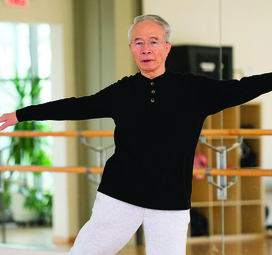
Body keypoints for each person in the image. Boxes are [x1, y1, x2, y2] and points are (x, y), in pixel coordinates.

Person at [1, 14, 272, 255]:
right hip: (119, 195)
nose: (146, 49)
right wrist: (20, 114)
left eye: (153, 41)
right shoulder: (123, 91)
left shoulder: (193, 89)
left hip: (170, 201)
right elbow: (75, 105)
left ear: (167, 47)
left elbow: (242, 88)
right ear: (131, 49)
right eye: (139, 42)